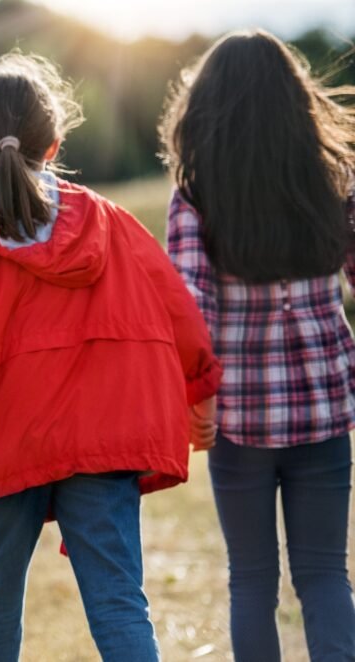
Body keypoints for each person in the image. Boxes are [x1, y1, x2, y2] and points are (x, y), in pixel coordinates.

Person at [0, 52, 222, 661]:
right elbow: (178, 310)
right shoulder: (109, 222)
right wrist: (201, 395)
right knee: (118, 600)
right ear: (54, 146)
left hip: (7, 443)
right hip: (103, 439)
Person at [161, 29, 355, 662]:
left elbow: (192, 312)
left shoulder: (196, 192)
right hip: (324, 411)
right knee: (326, 574)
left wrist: (197, 402)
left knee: (251, 581)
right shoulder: (333, 181)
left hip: (237, 420)